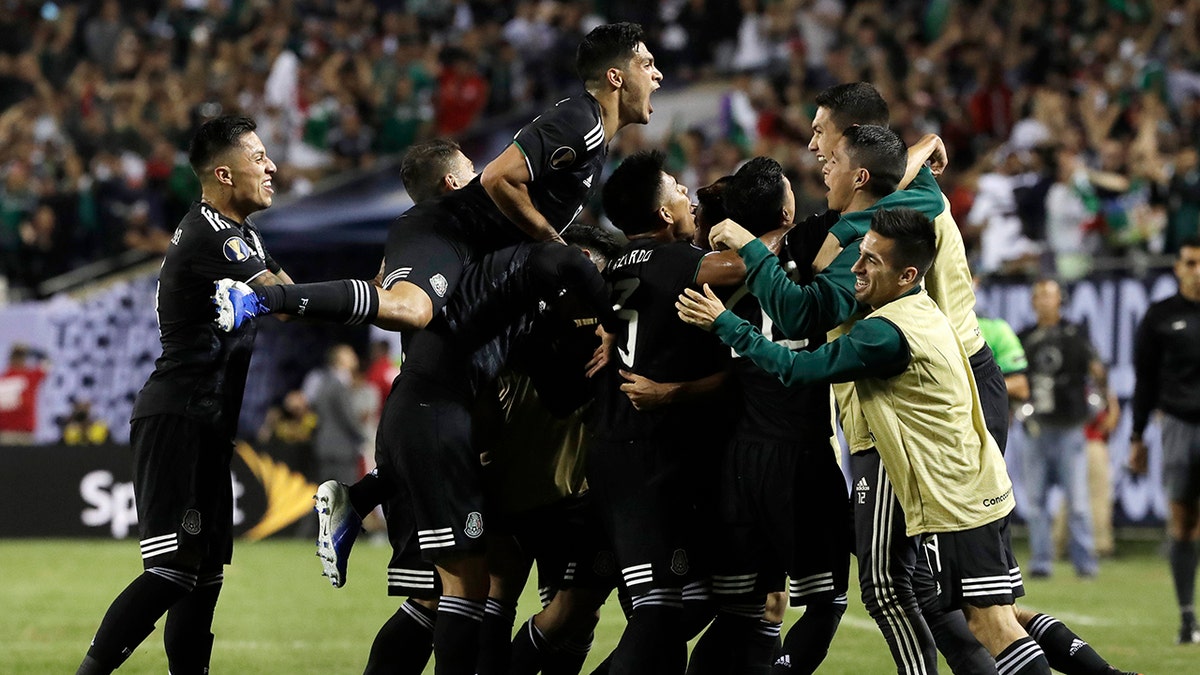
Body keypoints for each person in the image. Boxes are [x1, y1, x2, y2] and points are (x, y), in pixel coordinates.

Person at [679, 206, 1050, 674]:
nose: (856, 268)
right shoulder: (919, 310)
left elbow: (796, 369)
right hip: (965, 488)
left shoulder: (884, 334)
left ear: (908, 274)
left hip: (956, 497)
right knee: (946, 607)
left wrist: (727, 323)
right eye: (862, 255)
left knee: (986, 623)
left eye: (871, 261)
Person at [213, 22, 662, 335]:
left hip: (462, 250)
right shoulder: (580, 120)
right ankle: (262, 300)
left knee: (383, 303)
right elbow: (498, 180)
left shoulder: (596, 137)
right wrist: (551, 241)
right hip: (446, 232)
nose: (658, 75)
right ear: (615, 76)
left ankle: (273, 292)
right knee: (411, 310)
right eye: (647, 64)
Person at [76, 115, 292, 675]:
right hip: (179, 416)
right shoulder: (211, 235)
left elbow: (289, 293)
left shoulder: (242, 234)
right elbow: (282, 296)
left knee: (203, 576)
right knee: (172, 571)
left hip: (209, 421)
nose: (271, 166)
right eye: (259, 157)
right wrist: (377, 297)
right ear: (224, 173)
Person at [686, 158, 850, 675]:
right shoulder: (809, 245)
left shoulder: (718, 269)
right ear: (786, 208)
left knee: (745, 610)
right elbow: (877, 196)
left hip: (740, 460)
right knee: (827, 604)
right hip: (798, 458)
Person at [1129, 238, 1200, 644]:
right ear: (1178, 267)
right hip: (1177, 426)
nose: (1197, 271)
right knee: (1183, 521)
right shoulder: (1160, 317)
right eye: (1191, 263)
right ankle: (1188, 617)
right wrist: (1137, 437)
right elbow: (1145, 381)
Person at [1017, 279, 1108, 579]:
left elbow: (1096, 370)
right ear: (1033, 301)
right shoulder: (1024, 338)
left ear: (1060, 301)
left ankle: (1085, 562)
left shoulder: (1075, 335)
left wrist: (1105, 402)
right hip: (1037, 426)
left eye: (1050, 295)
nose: (1045, 300)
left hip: (1070, 425)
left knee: (1078, 501)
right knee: (1036, 502)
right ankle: (1042, 562)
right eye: (1040, 295)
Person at [0, 343, 47, 445]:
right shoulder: (30, 377)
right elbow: (47, 364)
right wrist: (36, 352)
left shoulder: (29, 376)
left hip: (21, 432)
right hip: (9, 432)